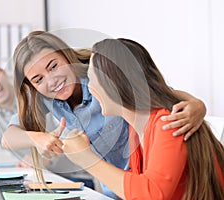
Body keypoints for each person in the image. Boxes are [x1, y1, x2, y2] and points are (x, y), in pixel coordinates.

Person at [1, 31, 206, 199]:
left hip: (145, 181)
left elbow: (156, 92)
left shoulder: (98, 70)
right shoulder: (45, 97)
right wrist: (39, 138)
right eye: (38, 79)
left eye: (54, 66)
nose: (52, 80)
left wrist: (198, 105)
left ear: (66, 56)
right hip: (116, 188)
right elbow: (8, 138)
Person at [62, 38, 224, 199]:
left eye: (91, 79)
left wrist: (86, 158)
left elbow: (152, 194)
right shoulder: (137, 127)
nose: (89, 87)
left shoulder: (168, 122)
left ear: (114, 83)